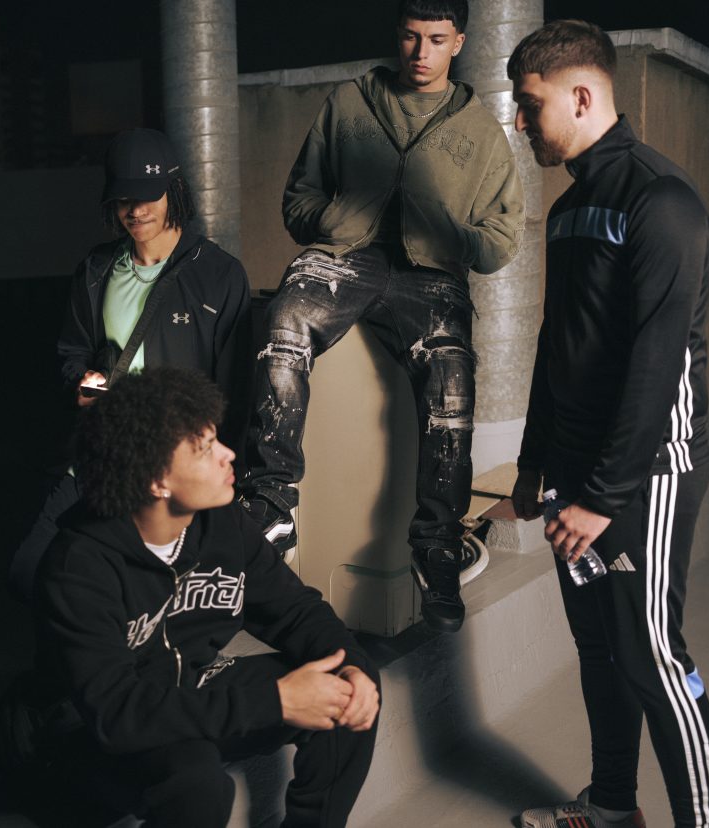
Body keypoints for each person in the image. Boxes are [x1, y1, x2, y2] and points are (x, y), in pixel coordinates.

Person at [0, 367, 380, 828]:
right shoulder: (78, 567)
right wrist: (275, 700)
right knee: (195, 781)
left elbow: (297, 611)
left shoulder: (222, 524)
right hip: (83, 737)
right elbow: (117, 712)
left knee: (346, 685)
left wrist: (351, 664)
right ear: (157, 481)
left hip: (184, 692)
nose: (229, 455)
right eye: (205, 449)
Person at [239, 0, 525, 633]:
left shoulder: (481, 130)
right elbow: (298, 200)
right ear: (398, 35)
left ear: (459, 43)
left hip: (432, 276)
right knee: (283, 322)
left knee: (451, 379)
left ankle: (437, 543)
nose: (421, 53)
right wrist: (339, 218)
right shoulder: (349, 104)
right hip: (344, 259)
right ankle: (271, 501)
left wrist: (448, 231)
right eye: (411, 37)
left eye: (436, 39)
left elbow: (502, 239)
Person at [508, 20, 709, 828]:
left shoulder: (663, 201)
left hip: (642, 475)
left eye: (530, 105)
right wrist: (535, 462)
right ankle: (611, 807)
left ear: (581, 96)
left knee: (651, 653)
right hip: (572, 471)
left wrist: (602, 496)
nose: (520, 121)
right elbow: (555, 343)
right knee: (600, 647)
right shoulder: (569, 210)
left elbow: (656, 364)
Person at [8, 127, 251, 601]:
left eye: (146, 196)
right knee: (31, 570)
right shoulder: (97, 270)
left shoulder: (219, 274)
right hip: (101, 455)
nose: (134, 211)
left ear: (174, 190)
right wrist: (81, 382)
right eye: (123, 199)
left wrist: (222, 478)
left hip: (173, 467)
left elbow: (236, 389)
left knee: (147, 592)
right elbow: (72, 351)